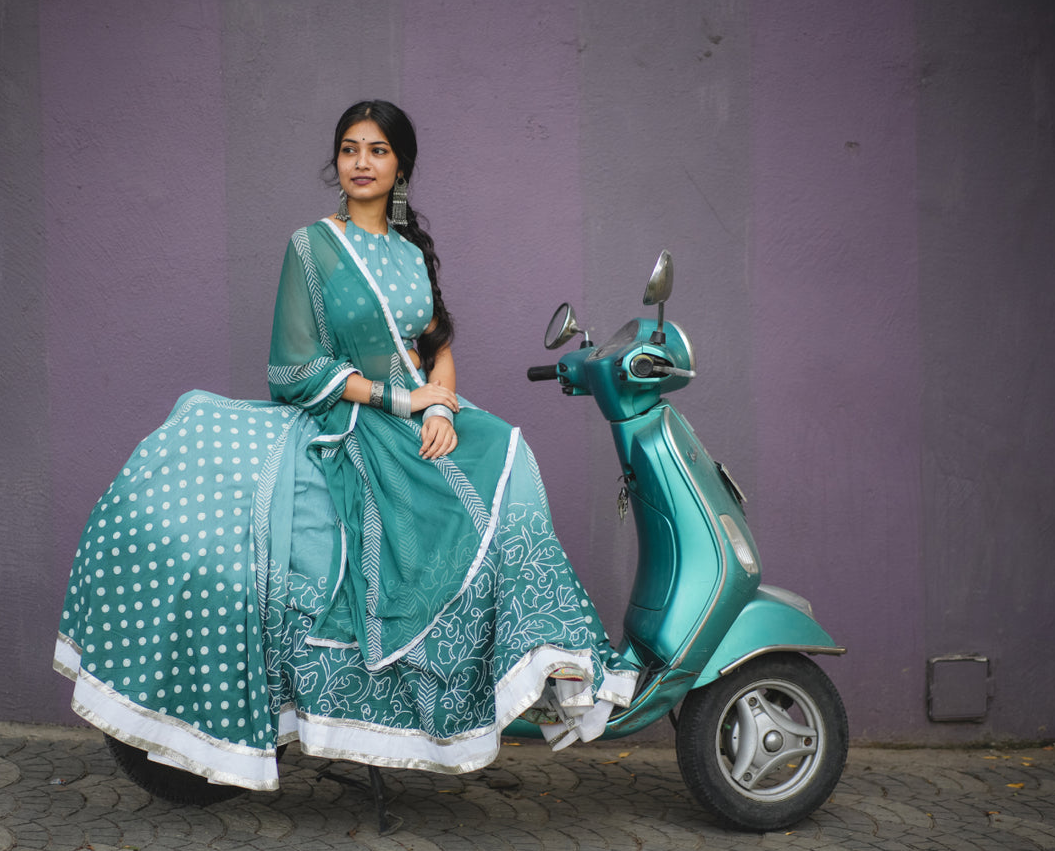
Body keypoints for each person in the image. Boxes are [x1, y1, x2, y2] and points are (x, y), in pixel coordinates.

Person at [54, 100, 635, 791]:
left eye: (377, 150)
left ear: (400, 167)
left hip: (420, 415)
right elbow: (292, 368)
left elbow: (437, 344)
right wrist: (400, 401)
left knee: (510, 456)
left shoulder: (410, 251)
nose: (361, 162)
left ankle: (541, 664)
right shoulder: (311, 246)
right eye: (350, 149)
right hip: (352, 421)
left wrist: (441, 406)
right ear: (335, 162)